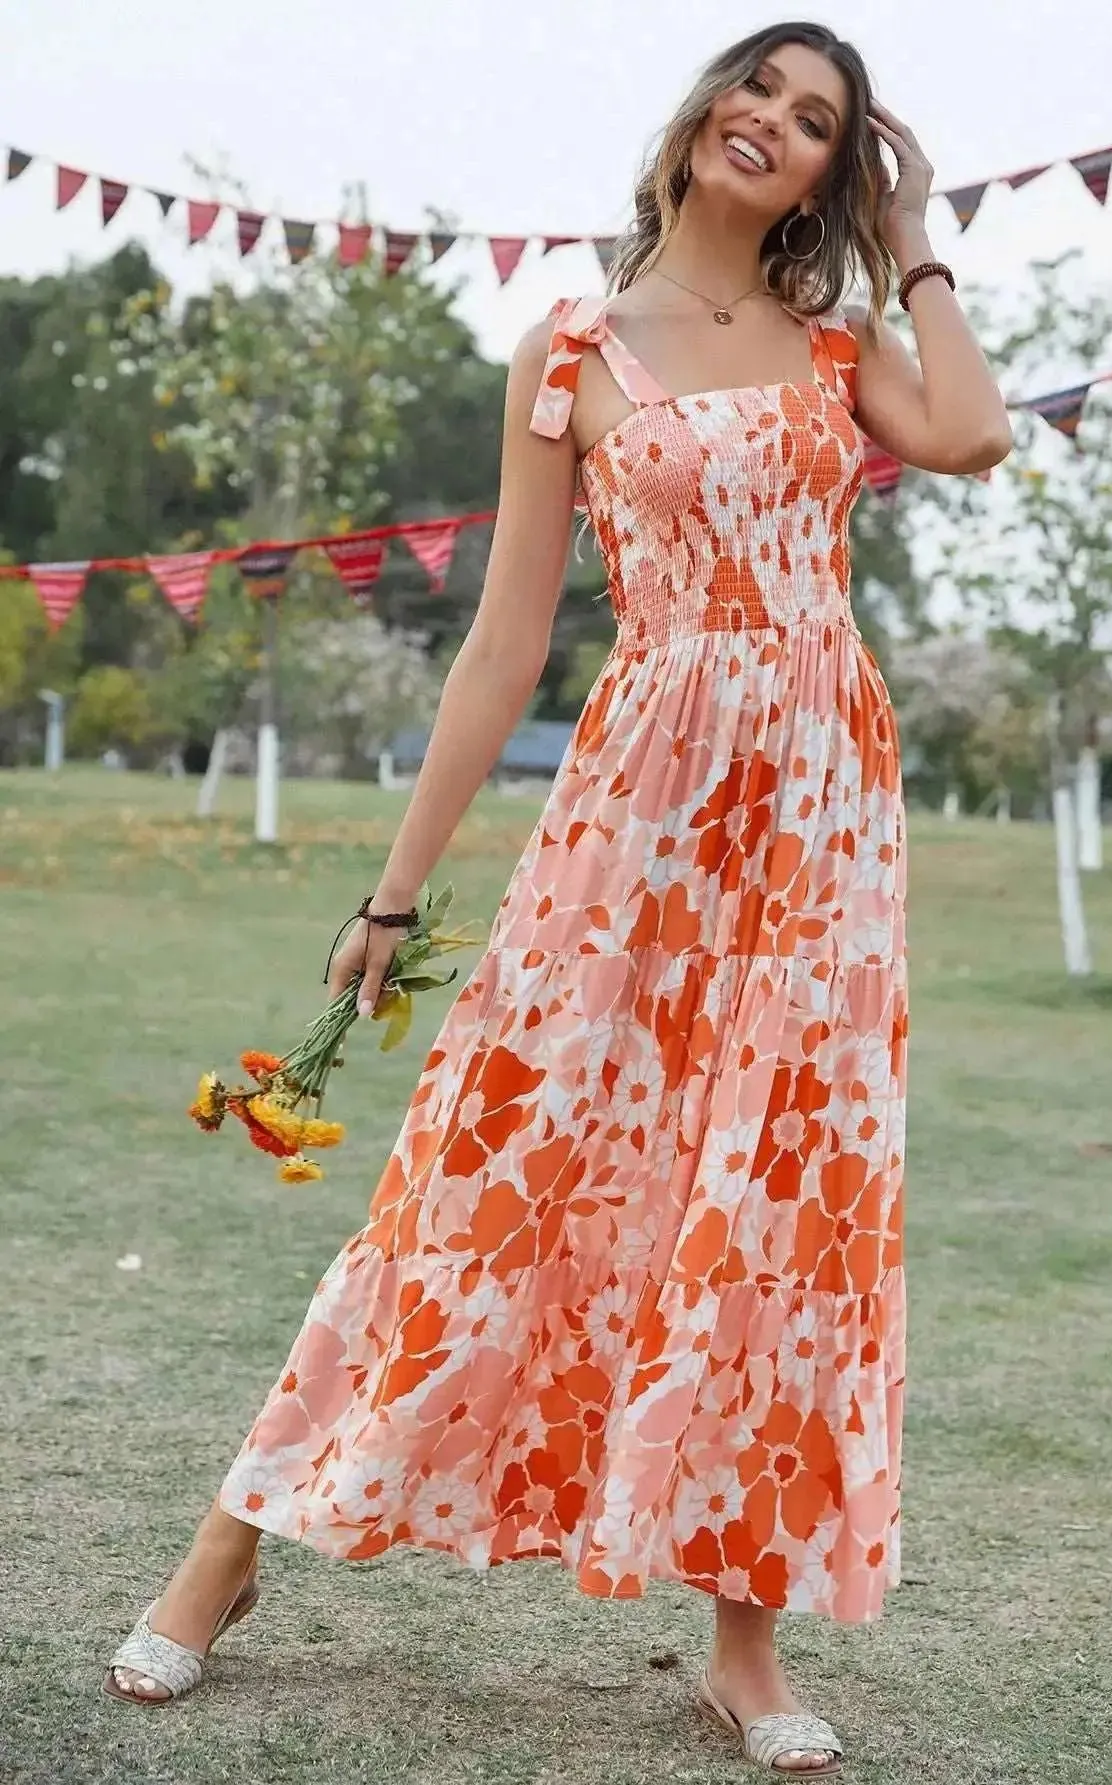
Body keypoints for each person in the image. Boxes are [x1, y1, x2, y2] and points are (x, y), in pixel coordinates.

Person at [105, 20, 1011, 1775]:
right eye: (762, 89)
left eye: (821, 122)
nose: (778, 124)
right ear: (701, 114)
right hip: (638, 811)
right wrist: (391, 898)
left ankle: (741, 1642)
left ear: (838, 168)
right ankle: (229, 1551)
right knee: (488, 1163)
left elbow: (968, 432)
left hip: (821, 811)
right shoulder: (572, 346)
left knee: (778, 1196)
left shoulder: (842, 345)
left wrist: (921, 244)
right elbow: (505, 639)